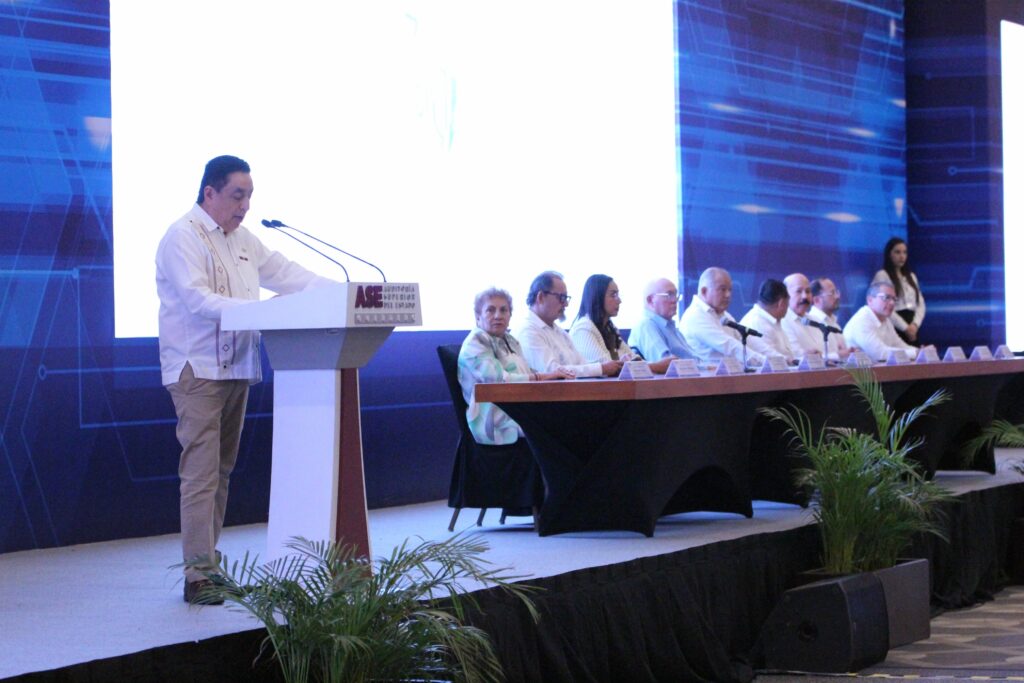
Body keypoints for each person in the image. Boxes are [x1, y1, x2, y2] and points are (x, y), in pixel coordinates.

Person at [156, 155, 336, 604]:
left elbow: (287, 275)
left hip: (237, 367)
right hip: (197, 370)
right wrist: (260, 312)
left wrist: (344, 293)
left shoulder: (245, 240)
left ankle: (209, 568)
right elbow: (198, 300)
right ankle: (198, 577)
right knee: (201, 474)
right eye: (238, 195)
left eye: (250, 196)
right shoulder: (182, 236)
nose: (246, 206)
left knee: (221, 472)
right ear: (209, 192)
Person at [457, 288, 572, 445]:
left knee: (569, 420)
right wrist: (542, 377)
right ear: (478, 316)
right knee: (561, 430)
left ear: (510, 316)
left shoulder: (510, 340)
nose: (498, 315)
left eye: (503, 310)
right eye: (490, 310)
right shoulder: (476, 342)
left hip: (520, 411)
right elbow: (499, 380)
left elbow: (525, 371)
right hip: (496, 424)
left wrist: (555, 374)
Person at [516, 271, 624, 377]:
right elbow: (552, 372)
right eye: (561, 297)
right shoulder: (528, 331)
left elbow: (583, 364)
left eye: (566, 298)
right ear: (540, 297)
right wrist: (601, 369)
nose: (566, 304)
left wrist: (603, 368)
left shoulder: (560, 332)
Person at [680, 267, 765, 368]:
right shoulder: (695, 316)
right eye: (722, 289)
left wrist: (775, 361)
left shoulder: (723, 315)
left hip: (731, 374)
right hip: (707, 376)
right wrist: (764, 363)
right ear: (704, 291)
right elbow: (729, 346)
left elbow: (750, 342)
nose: (728, 295)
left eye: (730, 290)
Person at [626, 277, 696, 372]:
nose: (674, 300)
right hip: (679, 380)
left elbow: (693, 359)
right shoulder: (646, 325)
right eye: (669, 295)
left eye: (675, 295)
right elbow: (667, 364)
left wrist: (707, 367)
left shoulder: (670, 326)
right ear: (651, 300)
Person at [842, 281, 919, 362]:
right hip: (856, 369)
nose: (892, 303)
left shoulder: (885, 319)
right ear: (870, 300)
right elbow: (879, 354)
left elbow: (898, 345)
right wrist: (915, 353)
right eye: (887, 297)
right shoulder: (861, 321)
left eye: (894, 299)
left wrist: (920, 352)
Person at [569, 274, 636, 364]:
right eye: (613, 295)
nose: (619, 301)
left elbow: (635, 360)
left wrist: (630, 362)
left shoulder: (610, 328)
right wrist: (626, 363)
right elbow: (605, 367)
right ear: (597, 297)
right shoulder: (583, 328)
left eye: (617, 294)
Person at [874, 237, 925, 344]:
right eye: (897, 252)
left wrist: (915, 325)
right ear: (889, 254)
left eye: (904, 252)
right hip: (894, 325)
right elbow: (883, 306)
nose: (902, 256)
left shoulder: (911, 276)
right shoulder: (882, 275)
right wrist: (905, 328)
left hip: (913, 325)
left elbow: (921, 304)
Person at [739, 279, 796, 363]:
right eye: (787, 304)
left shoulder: (773, 320)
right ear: (781, 303)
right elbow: (772, 360)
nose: (788, 309)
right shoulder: (756, 322)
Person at [808, 277, 854, 361]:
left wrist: (850, 352)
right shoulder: (811, 323)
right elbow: (815, 357)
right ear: (817, 300)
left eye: (836, 292)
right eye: (832, 293)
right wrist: (838, 355)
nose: (837, 297)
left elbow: (844, 352)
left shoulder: (833, 322)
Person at [780, 273, 823, 360]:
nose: (805, 296)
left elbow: (826, 351)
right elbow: (795, 355)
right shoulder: (782, 321)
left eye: (808, 291)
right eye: (798, 291)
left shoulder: (815, 320)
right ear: (785, 295)